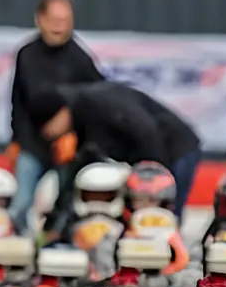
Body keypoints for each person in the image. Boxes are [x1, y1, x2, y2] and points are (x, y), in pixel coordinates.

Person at [6, 0, 105, 229]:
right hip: (32, 144)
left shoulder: (81, 59)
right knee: (20, 205)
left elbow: (99, 101)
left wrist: (72, 131)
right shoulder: (26, 55)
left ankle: (62, 250)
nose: (60, 27)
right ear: (40, 20)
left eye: (66, 21)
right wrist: (16, 139)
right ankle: (19, 257)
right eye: (55, 20)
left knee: (68, 208)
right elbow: (22, 101)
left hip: (69, 150)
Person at [34, 80, 202, 218]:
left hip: (175, 147)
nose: (48, 134)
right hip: (154, 150)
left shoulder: (96, 102)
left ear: (60, 113)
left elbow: (145, 130)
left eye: (47, 127)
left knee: (166, 209)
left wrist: (154, 173)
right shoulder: (82, 116)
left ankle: (171, 252)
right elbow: (82, 165)